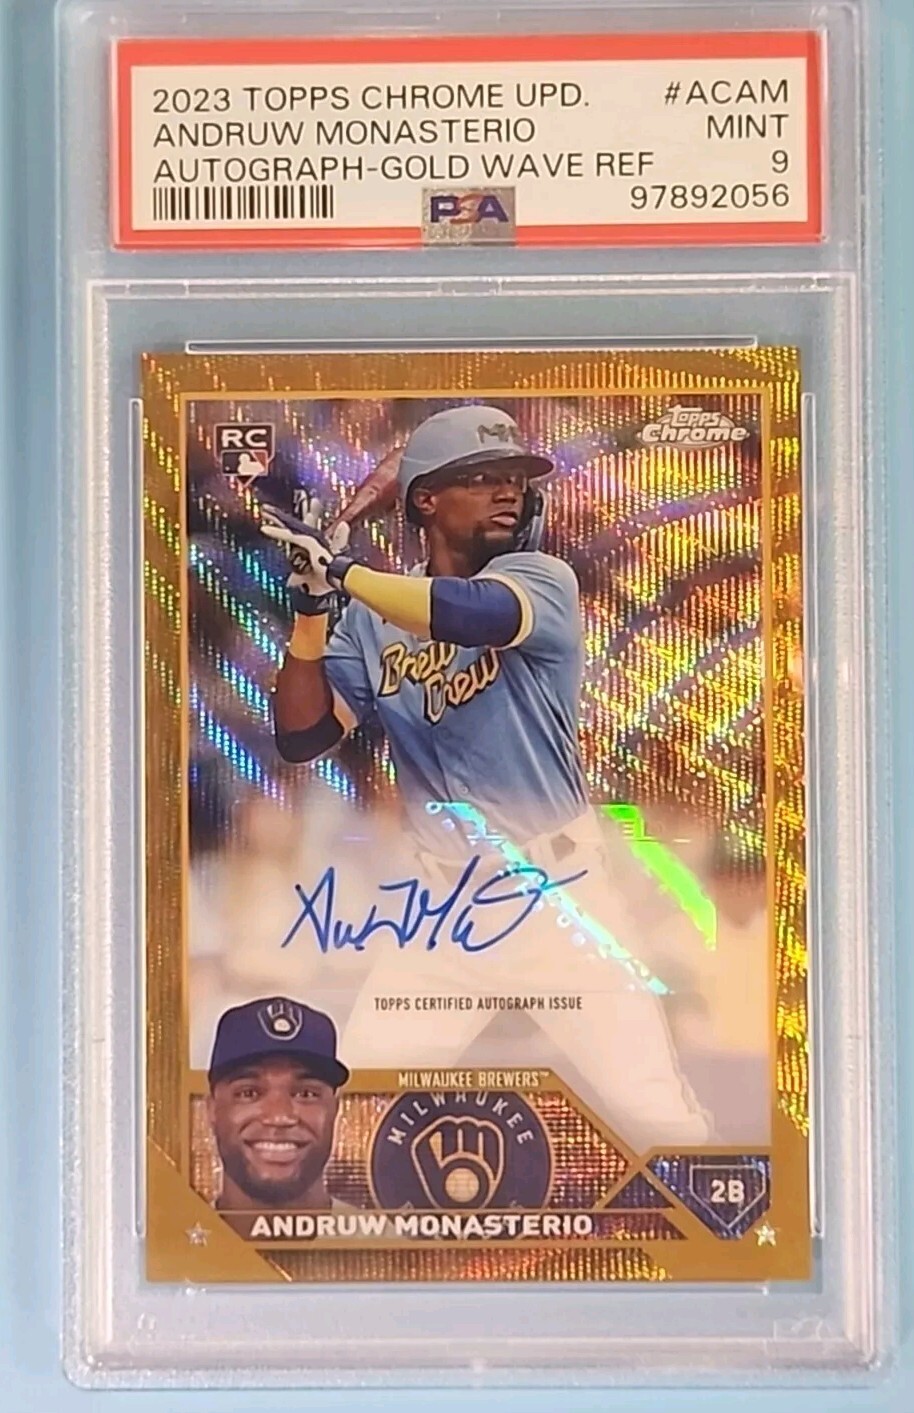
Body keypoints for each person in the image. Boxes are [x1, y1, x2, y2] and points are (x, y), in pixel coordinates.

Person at [259, 405, 713, 1149]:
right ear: (426, 501)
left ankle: (721, 1222)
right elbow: (302, 735)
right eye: (481, 478)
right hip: (446, 913)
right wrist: (313, 609)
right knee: (359, 1108)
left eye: (515, 479)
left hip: (561, 899)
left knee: (655, 1117)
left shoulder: (541, 579)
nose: (509, 491)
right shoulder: (370, 618)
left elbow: (467, 614)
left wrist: (344, 571)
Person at [207, 996, 351, 1212]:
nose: (279, 1117)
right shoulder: (172, 1233)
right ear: (211, 1109)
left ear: (335, 1109)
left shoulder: (384, 1235)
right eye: (249, 1093)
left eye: (306, 1093)